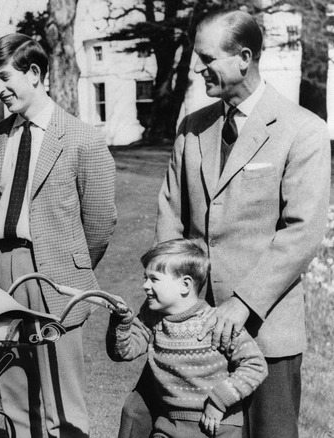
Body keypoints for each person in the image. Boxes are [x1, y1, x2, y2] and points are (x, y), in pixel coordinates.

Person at [119, 10, 331, 438]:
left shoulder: (303, 130)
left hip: (265, 332)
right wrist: (170, 295)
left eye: (207, 58)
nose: (198, 69)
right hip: (184, 331)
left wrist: (244, 302)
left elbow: (302, 231)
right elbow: (171, 216)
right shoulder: (192, 129)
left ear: (244, 58)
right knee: (138, 420)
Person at [0, 33, 117, 438]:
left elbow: (101, 223)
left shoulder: (82, 138)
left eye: (4, 77)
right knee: (13, 386)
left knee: (61, 396)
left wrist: (64, 267)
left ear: (34, 73)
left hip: (50, 275)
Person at [107, 239, 268, 438]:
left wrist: (219, 401)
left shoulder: (216, 323)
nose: (145, 286)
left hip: (216, 426)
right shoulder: (152, 317)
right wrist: (121, 323)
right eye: (144, 278)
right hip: (169, 423)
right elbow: (124, 351)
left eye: (153, 279)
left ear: (185, 285)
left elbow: (255, 365)